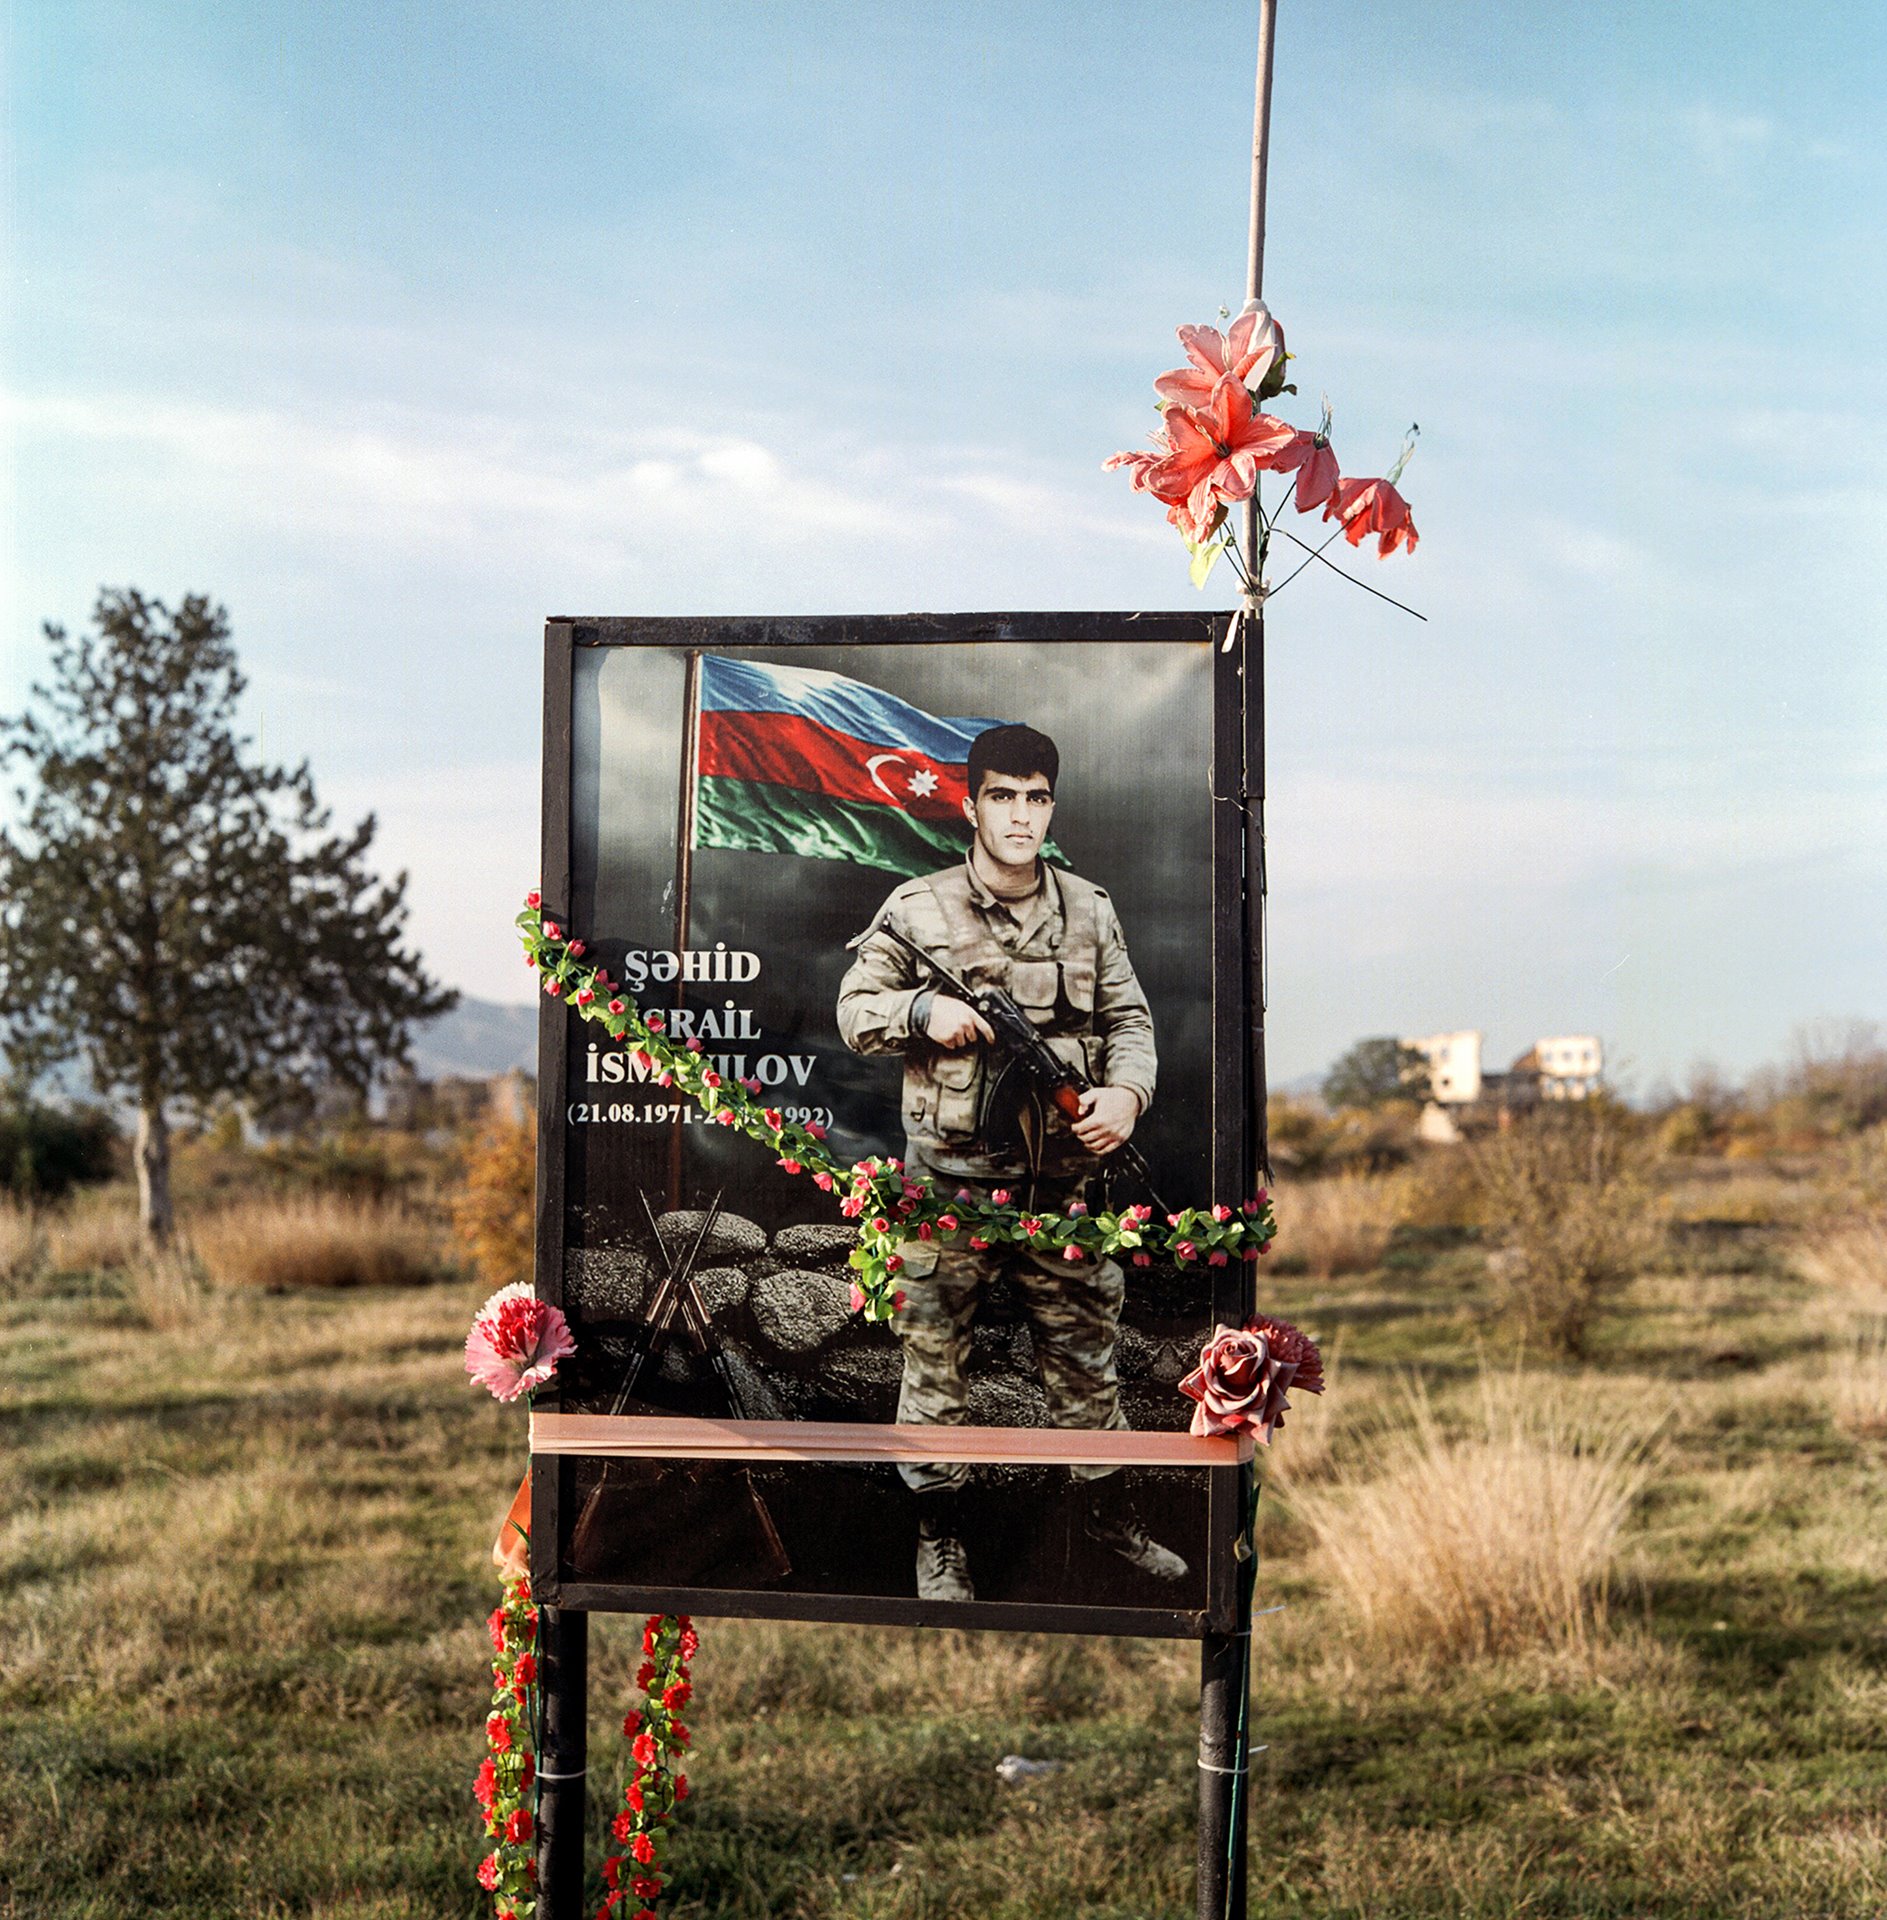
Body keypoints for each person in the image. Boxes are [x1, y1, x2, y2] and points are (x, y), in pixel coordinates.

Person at [837, 722, 1189, 1603]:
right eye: (1003, 796)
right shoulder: (917, 909)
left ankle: (1107, 1523)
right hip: (946, 1190)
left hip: (1061, 1190)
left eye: (1036, 798)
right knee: (933, 1365)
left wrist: (1126, 1097)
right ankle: (940, 1537)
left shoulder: (1089, 909)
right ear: (969, 804)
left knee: (1085, 1362)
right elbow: (853, 1009)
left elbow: (1131, 1025)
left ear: (1051, 807)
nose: (1020, 815)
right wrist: (922, 1015)